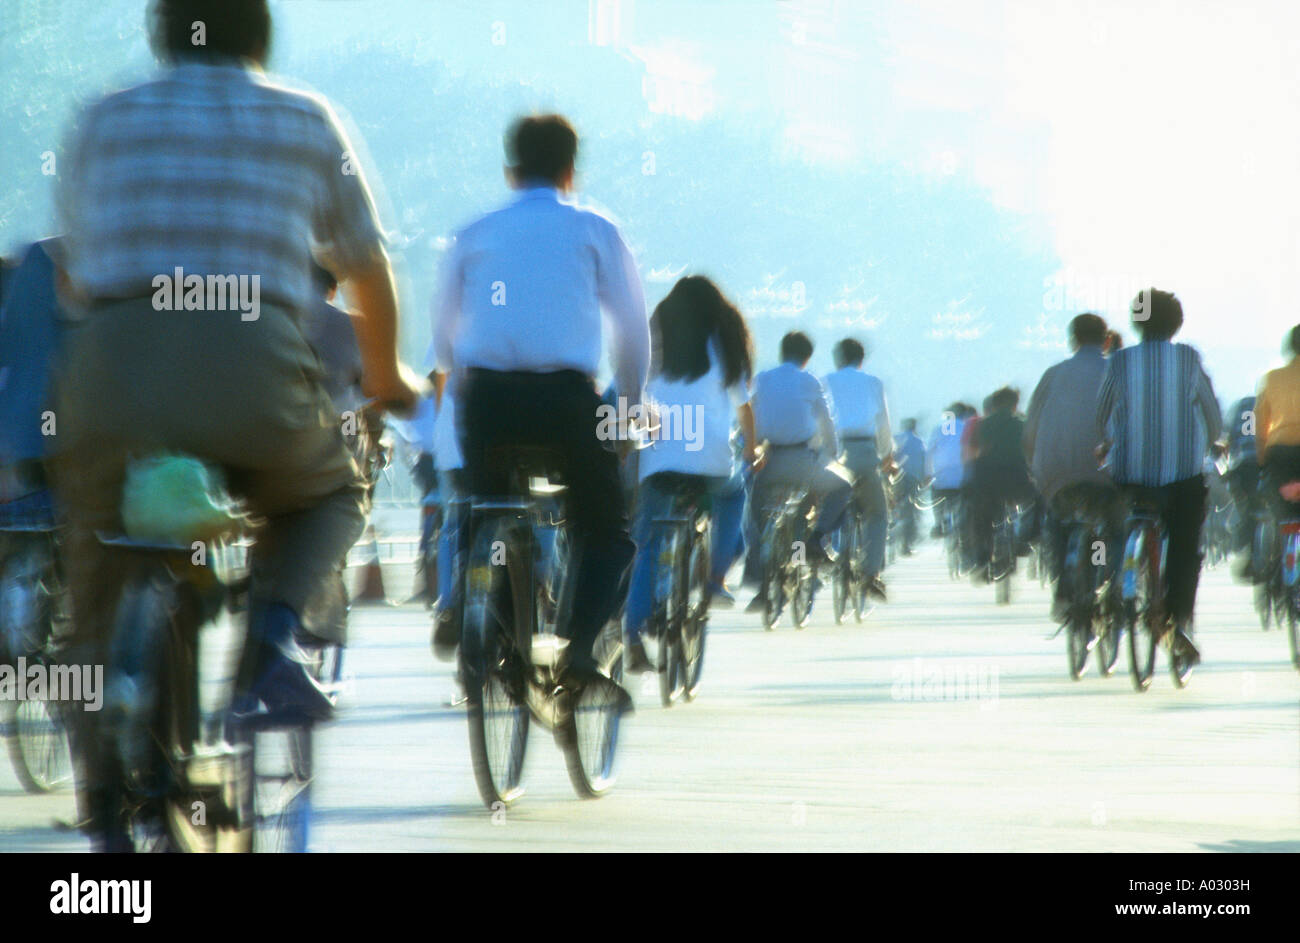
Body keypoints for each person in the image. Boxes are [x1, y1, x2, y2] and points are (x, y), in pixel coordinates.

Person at [51, 0, 418, 850]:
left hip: (111, 367)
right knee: (329, 494)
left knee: (93, 589)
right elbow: (365, 265)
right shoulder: (304, 118)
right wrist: (388, 376)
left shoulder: (101, 121)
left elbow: (73, 277)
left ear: (161, 34)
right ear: (259, 36)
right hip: (252, 363)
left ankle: (105, 787)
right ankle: (272, 648)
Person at [431, 113, 649, 691]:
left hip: (486, 399)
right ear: (571, 170)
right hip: (567, 401)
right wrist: (627, 406)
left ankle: (483, 614)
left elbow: (442, 339)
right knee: (606, 528)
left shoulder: (473, 232)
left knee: (485, 504)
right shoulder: (595, 227)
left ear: (511, 170)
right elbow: (632, 329)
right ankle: (578, 651)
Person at [622, 276, 758, 672]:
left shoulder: (653, 346)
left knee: (649, 543)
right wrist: (751, 449)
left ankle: (633, 634)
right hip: (713, 460)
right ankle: (716, 577)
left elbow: (632, 405)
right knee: (734, 496)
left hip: (660, 462)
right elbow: (744, 409)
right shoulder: (725, 343)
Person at [1097, 289, 1222, 663]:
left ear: (1137, 322)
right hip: (1181, 477)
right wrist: (1214, 440)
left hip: (1129, 474)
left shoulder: (1119, 362)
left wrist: (1105, 443)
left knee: (1111, 527)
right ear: (1176, 324)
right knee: (1185, 544)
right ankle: (1174, 618)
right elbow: (1212, 415)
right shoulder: (1188, 359)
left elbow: (1101, 414)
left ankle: (1108, 585)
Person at [1023, 313, 1123, 623]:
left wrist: (1035, 469)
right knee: (1112, 526)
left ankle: (1064, 588)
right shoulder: (1118, 374)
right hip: (1104, 472)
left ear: (1072, 340)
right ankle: (1108, 583)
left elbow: (1030, 432)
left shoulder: (1052, 375)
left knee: (1057, 520)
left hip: (1056, 472)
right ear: (1107, 341)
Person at [820, 337, 892, 598]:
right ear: (862, 360)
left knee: (810, 512)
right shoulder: (873, 383)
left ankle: (802, 557)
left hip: (834, 454)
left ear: (838, 359)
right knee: (877, 513)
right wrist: (887, 456)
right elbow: (883, 424)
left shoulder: (826, 381)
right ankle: (871, 574)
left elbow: (818, 419)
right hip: (865, 452)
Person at [967, 386, 1036, 575]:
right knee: (1039, 501)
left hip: (987, 481)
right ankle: (1027, 540)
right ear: (1015, 405)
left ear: (994, 405)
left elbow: (972, 452)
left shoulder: (982, 425)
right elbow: (1031, 451)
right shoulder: (1022, 423)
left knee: (980, 515)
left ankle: (982, 555)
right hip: (1017, 481)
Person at [1255, 325, 1300, 527]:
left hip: (1279, 452)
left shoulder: (1271, 378)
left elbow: (1260, 425)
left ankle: (1280, 551)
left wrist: (1262, 461)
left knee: (1281, 510)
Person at [928, 403, 971, 538]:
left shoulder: (938, 429)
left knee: (935, 493)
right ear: (964, 414)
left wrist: (927, 475)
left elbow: (929, 453)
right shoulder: (967, 428)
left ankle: (938, 523)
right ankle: (965, 527)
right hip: (962, 479)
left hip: (942, 478)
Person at [893, 418, 926, 555]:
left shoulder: (895, 438)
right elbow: (924, 461)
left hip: (896, 478)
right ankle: (906, 544)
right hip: (913, 479)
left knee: (893, 506)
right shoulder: (919, 442)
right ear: (914, 427)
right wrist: (924, 479)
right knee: (910, 511)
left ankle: (891, 534)